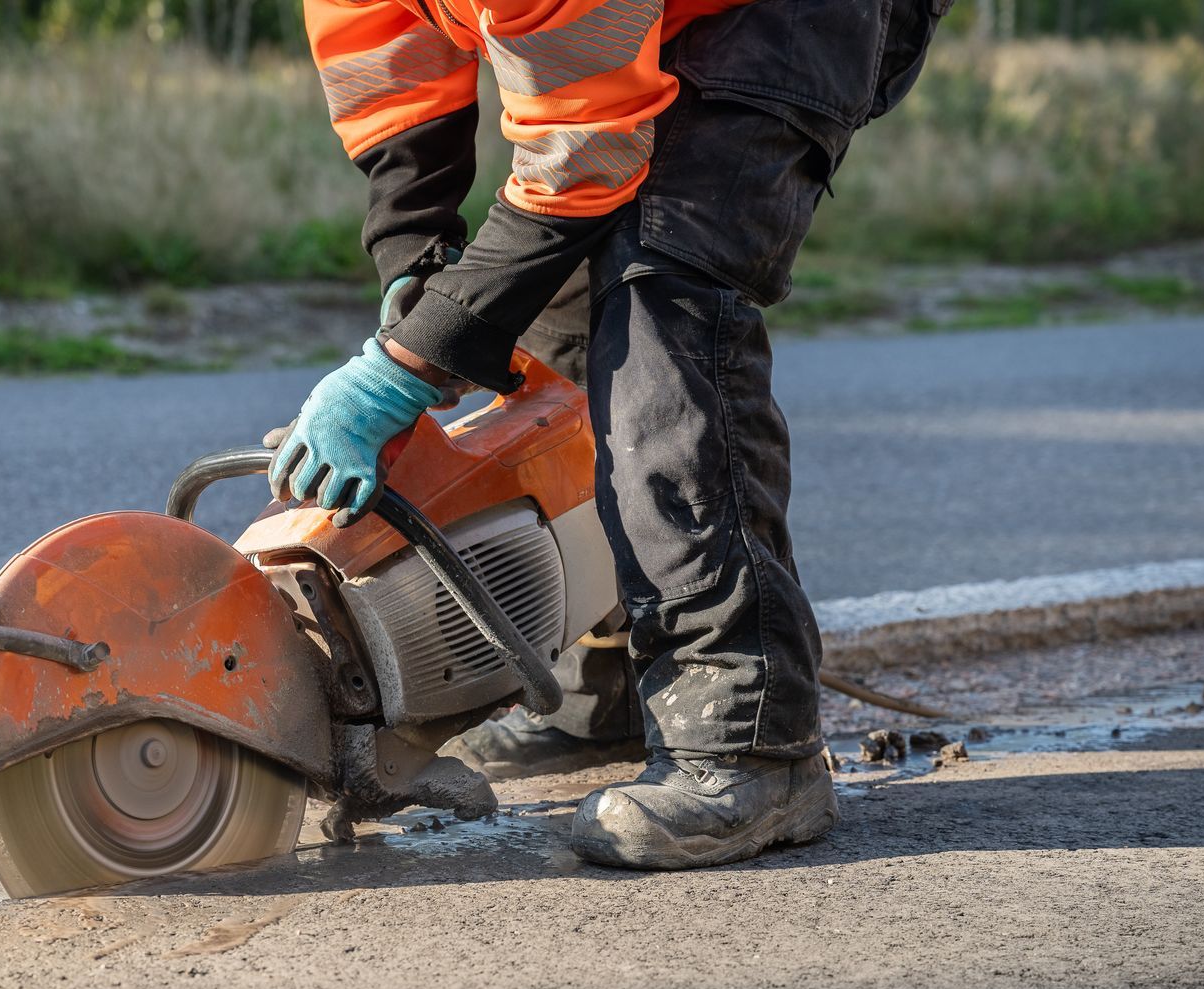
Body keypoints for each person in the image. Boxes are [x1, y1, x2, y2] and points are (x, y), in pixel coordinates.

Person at [275, 0, 946, 869]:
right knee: (556, 334)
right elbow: (390, 91)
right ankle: (610, 697)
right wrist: (417, 266)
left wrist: (407, 364)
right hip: (630, 31)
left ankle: (749, 743)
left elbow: (585, 156)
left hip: (784, 18)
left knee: (658, 295)